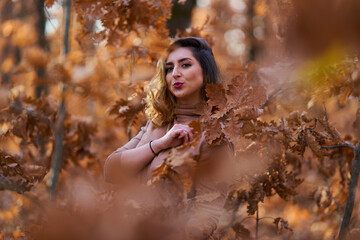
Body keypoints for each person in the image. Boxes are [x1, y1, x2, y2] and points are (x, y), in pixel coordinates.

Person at [104, 37, 234, 239]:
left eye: (185, 65)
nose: (175, 74)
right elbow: (111, 170)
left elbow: (206, 216)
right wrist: (160, 144)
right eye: (169, 68)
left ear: (205, 71)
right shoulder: (157, 122)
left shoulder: (214, 136)